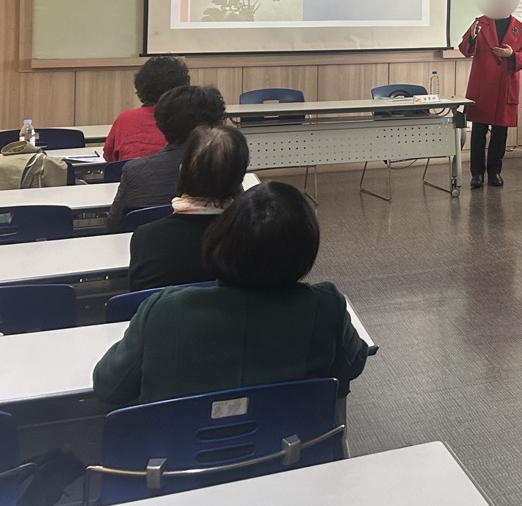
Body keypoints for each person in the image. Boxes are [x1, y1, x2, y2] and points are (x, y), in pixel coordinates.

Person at [94, 181, 369, 406]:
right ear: (306, 249)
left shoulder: (163, 310)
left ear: (222, 238)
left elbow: (109, 386)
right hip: (292, 450)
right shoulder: (325, 306)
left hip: (174, 456)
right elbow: (352, 364)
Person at [128, 124, 250, 291]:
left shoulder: (147, 237)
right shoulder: (254, 238)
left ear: (181, 171)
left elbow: (138, 299)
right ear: (240, 179)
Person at [105, 85, 226, 233]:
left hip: (149, 245)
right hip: (214, 245)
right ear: (214, 126)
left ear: (160, 124)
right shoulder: (224, 167)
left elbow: (113, 225)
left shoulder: (134, 171)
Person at [459, 0, 522, 189]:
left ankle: (495, 172)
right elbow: (465, 50)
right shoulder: (480, 23)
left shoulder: (519, 28)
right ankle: (477, 174)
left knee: (500, 133)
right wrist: (471, 38)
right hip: (483, 86)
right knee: (478, 132)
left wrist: (512, 55)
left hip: (505, 87)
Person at [103, 55, 190, 162]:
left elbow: (109, 158)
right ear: (182, 88)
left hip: (130, 172)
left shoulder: (125, 119)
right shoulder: (187, 120)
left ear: (141, 86)